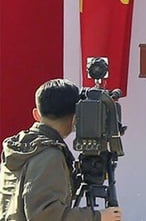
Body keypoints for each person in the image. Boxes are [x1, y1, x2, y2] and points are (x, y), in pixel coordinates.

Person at [0, 79, 123, 221]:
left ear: (36, 115)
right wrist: (97, 217)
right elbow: (45, 215)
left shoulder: (21, 148)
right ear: (76, 119)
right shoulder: (49, 155)